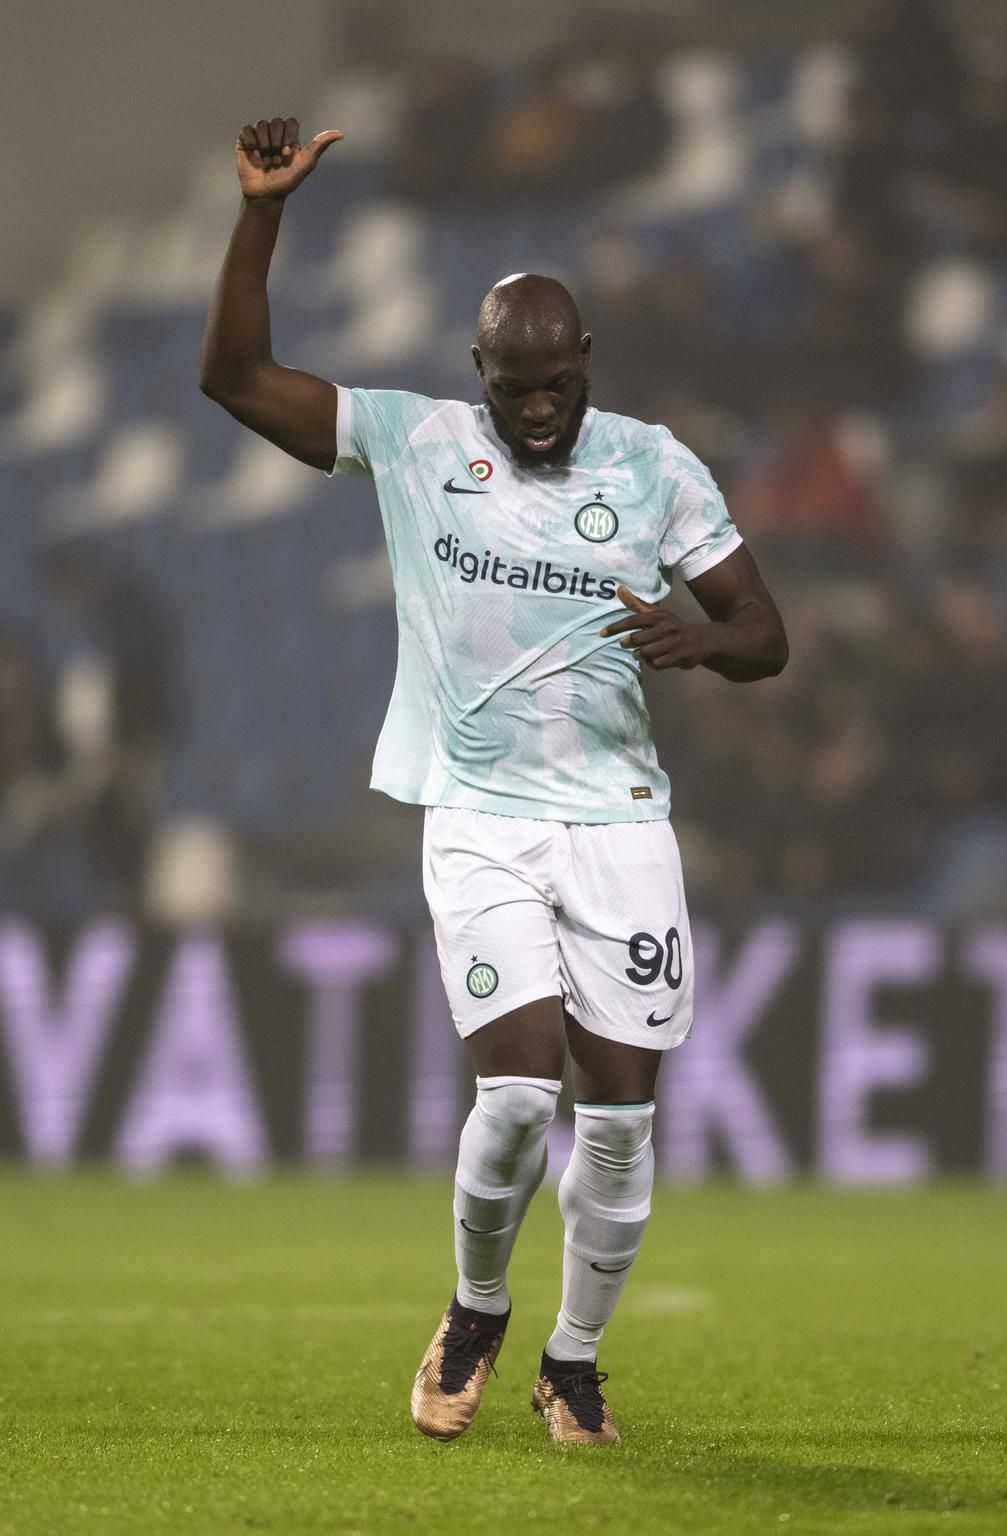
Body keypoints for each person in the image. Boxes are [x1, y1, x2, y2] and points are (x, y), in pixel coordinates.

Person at [200, 117, 788, 1446]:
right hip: (479, 820)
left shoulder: (655, 465)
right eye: (512, 387)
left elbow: (769, 633)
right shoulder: (413, 445)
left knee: (624, 1135)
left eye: (554, 387)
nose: (535, 409)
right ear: (481, 372)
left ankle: (573, 1363)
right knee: (520, 1100)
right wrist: (261, 214)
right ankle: (477, 1308)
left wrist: (701, 642)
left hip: (621, 824)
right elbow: (233, 375)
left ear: (585, 365)